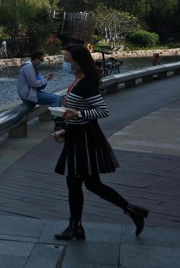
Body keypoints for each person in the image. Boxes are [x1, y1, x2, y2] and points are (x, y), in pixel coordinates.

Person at [51, 44, 149, 240]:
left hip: (85, 140)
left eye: (67, 59)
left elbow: (102, 111)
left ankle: (77, 225)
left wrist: (78, 113)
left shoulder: (86, 84)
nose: (64, 62)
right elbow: (79, 115)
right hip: (77, 135)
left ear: (78, 62)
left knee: (80, 182)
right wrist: (64, 130)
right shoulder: (77, 82)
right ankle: (129, 211)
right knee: (87, 183)